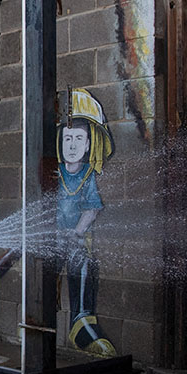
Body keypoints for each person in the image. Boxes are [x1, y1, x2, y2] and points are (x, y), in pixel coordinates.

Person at [57, 88, 115, 356]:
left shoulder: (88, 176)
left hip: (76, 239)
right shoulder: (54, 173)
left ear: (90, 143)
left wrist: (76, 233)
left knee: (81, 260)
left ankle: (80, 321)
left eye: (78, 138)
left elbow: (91, 211)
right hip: (53, 239)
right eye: (67, 138)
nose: (72, 145)